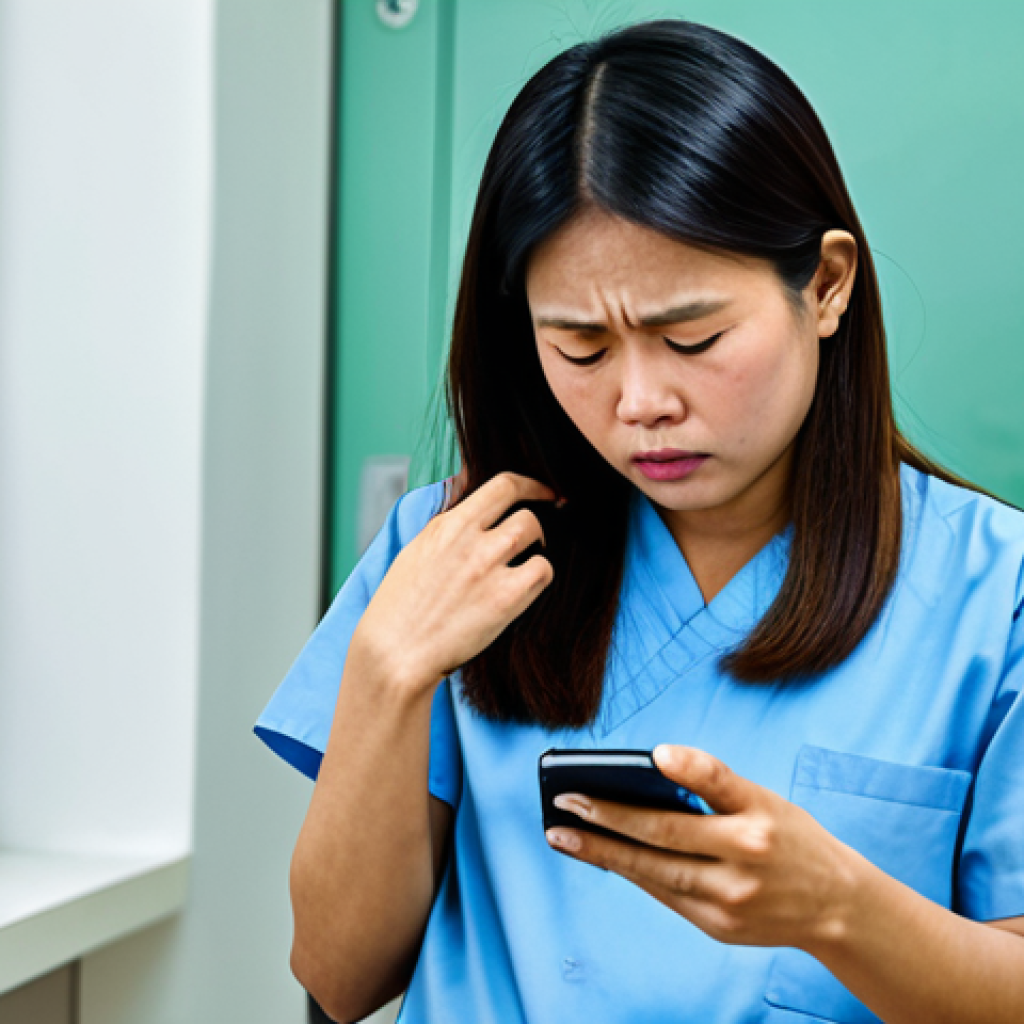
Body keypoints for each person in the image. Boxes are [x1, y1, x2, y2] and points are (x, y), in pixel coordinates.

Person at [254, 18, 1024, 1024]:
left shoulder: (992, 591)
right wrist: (385, 671)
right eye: (578, 348)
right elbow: (339, 976)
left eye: (691, 337)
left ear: (825, 286)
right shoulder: (448, 551)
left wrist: (839, 909)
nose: (639, 402)